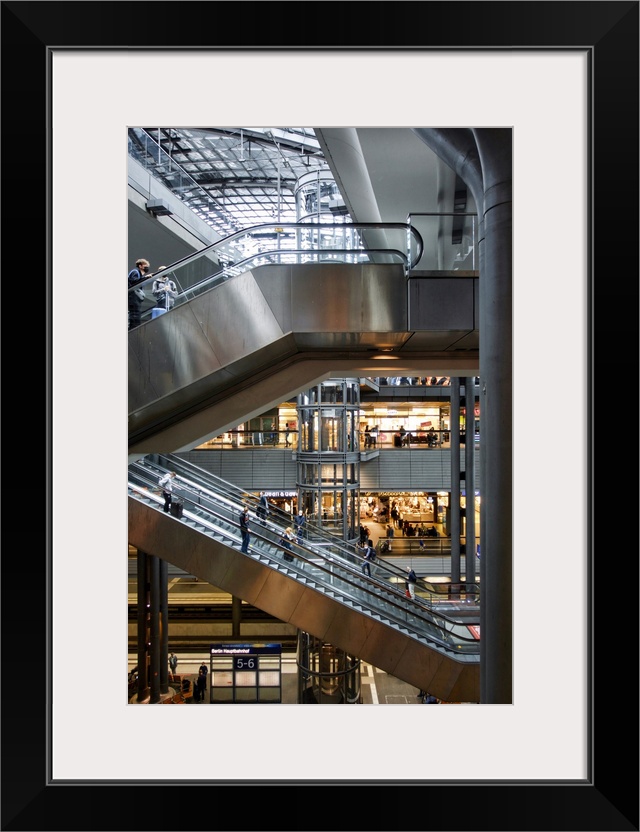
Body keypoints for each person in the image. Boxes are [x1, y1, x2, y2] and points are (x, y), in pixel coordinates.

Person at [128, 258, 150, 330]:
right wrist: (145, 278)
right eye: (145, 266)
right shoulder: (135, 272)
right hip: (132, 297)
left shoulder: (139, 274)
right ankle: (133, 329)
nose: (147, 268)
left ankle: (134, 328)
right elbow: (134, 282)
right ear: (140, 266)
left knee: (136, 313)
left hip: (134, 297)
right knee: (134, 313)